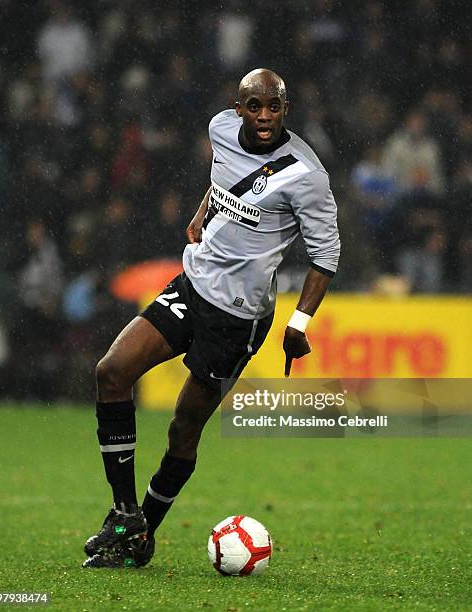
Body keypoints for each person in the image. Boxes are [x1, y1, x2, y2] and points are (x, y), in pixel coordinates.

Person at [83, 69, 340, 568]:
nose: (263, 117)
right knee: (111, 372)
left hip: (236, 319)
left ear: (286, 108)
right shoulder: (219, 128)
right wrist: (204, 212)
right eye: (254, 106)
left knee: (183, 429)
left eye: (273, 107)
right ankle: (124, 513)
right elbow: (224, 174)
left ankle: (140, 537)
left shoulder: (306, 176)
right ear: (238, 107)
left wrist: (299, 324)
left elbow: (326, 254)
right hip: (192, 284)